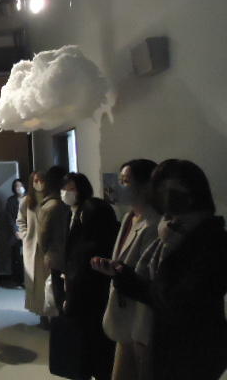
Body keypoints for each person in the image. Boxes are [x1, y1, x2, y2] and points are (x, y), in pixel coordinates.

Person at [93, 159, 227, 380]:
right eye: (162, 189)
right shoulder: (172, 230)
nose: (166, 196)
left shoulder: (211, 240)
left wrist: (170, 247)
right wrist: (124, 276)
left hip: (194, 349)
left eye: (173, 189)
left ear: (194, 191)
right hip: (165, 342)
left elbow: (177, 300)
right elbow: (154, 290)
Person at [102, 159, 159, 380]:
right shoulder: (128, 217)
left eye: (125, 181)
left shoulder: (154, 224)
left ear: (145, 186)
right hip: (123, 311)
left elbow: (147, 277)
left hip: (141, 318)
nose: (119, 186)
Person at [61, 173, 119, 380]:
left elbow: (82, 256)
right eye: (64, 188)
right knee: (87, 341)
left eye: (71, 188)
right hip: (80, 287)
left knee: (96, 341)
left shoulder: (91, 209)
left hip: (91, 290)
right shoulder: (72, 213)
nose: (66, 192)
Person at [17, 171, 51, 328]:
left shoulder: (51, 200)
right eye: (36, 180)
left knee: (49, 281)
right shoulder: (26, 200)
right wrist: (25, 235)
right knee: (36, 282)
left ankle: (51, 313)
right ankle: (42, 315)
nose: (39, 183)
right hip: (32, 247)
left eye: (41, 180)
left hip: (48, 247)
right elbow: (20, 220)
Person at [37, 165, 70, 315]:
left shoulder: (50, 206)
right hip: (64, 257)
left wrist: (47, 253)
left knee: (59, 296)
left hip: (56, 257)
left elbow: (43, 238)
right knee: (62, 296)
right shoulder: (59, 205)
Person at [4, 178, 26, 287]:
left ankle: (27, 280)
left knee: (27, 258)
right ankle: (17, 280)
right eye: (17, 186)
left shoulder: (29, 199)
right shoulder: (11, 200)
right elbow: (9, 217)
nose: (19, 188)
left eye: (21, 185)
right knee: (16, 257)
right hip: (15, 234)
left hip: (28, 233)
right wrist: (16, 231)